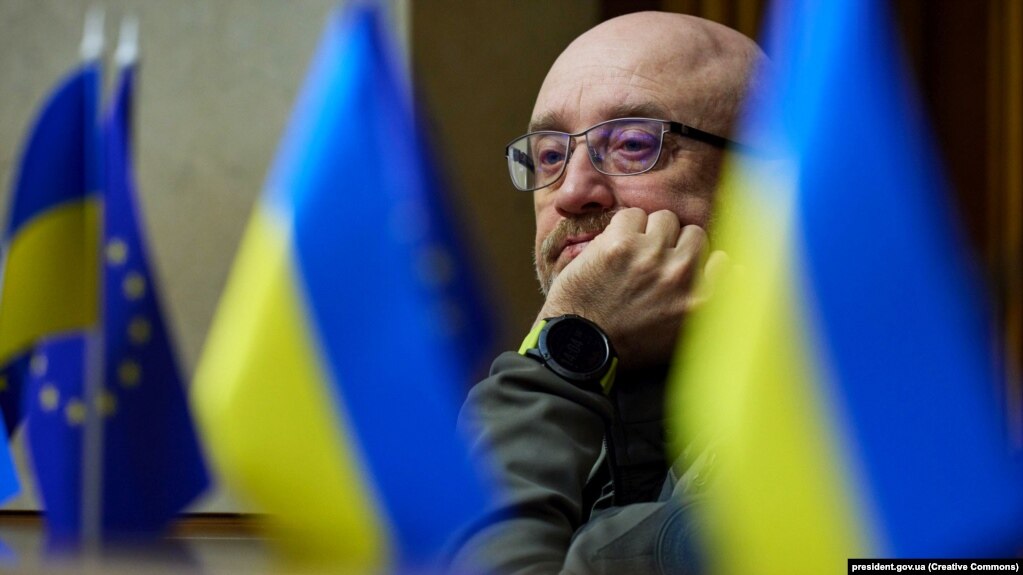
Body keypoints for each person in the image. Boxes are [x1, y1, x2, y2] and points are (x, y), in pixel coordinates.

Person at [450, 11, 765, 575]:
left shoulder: (838, 429)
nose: (571, 191)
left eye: (633, 143)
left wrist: (566, 350)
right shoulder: (574, 412)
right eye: (550, 155)